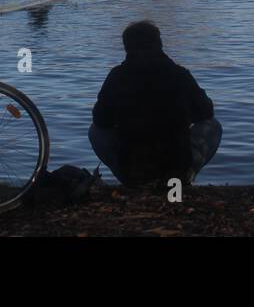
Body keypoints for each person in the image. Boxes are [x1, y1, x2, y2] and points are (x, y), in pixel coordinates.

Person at [89, 21, 221, 186]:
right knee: (213, 125)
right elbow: (206, 112)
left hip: (132, 164)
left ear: (126, 47)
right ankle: (184, 175)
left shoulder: (117, 76)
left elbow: (100, 120)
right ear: (159, 44)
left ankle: (130, 177)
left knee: (95, 131)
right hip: (176, 162)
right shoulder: (179, 74)